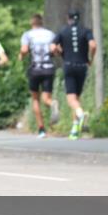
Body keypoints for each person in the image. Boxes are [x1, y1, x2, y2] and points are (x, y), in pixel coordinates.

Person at [52, 9, 97, 139]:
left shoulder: (62, 31)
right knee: (76, 98)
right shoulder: (86, 30)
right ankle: (75, 128)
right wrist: (90, 58)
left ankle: (81, 115)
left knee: (71, 99)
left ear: (68, 18)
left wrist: (60, 53)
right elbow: (93, 45)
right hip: (82, 66)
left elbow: (52, 47)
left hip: (69, 66)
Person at [19, 13, 60, 138]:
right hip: (48, 69)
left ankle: (41, 129)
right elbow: (56, 50)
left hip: (35, 69)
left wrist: (21, 55)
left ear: (32, 23)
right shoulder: (50, 34)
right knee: (46, 98)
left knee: (35, 99)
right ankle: (52, 103)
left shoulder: (27, 35)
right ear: (42, 22)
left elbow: (24, 50)